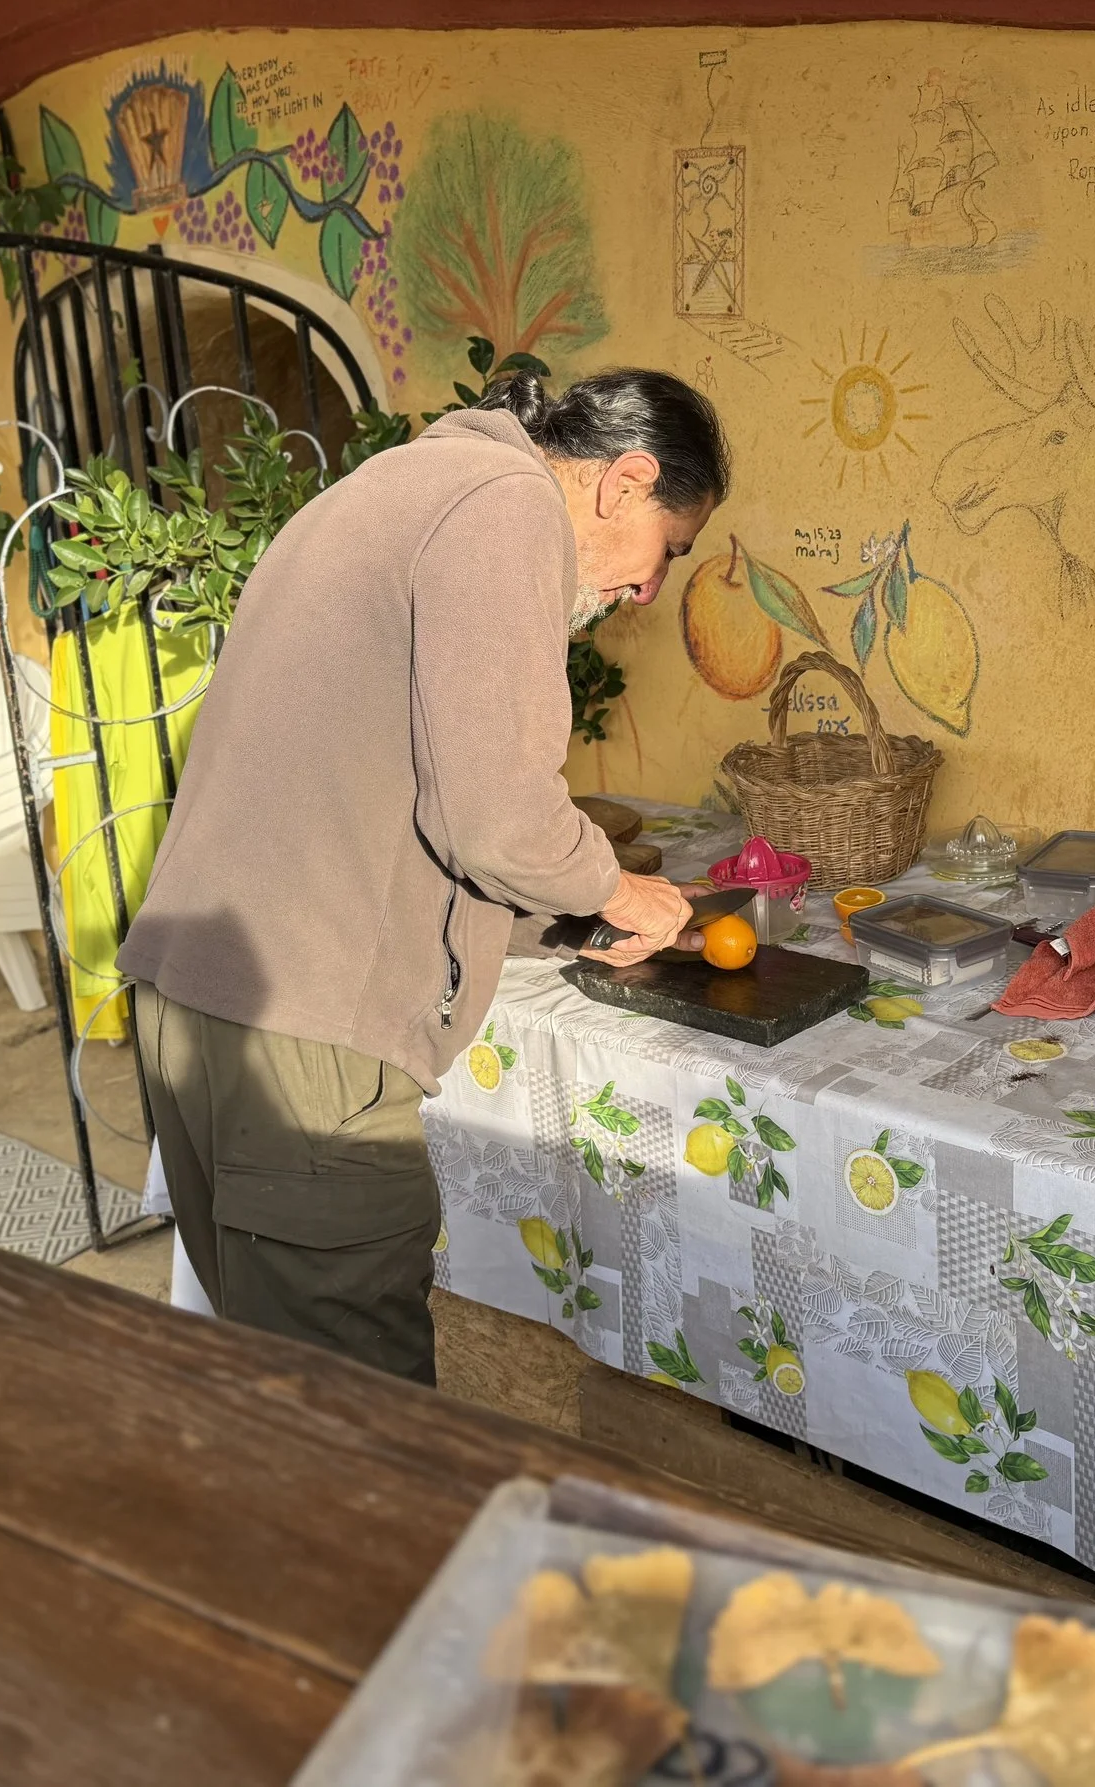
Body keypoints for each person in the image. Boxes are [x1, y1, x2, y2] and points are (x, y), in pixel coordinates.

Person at [118, 369, 727, 1380]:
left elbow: (410, 801)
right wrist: (623, 891)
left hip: (202, 1006)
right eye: (669, 549)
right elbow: (495, 818)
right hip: (303, 1042)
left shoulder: (406, 484)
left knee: (284, 1396)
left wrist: (567, 926)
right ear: (624, 480)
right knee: (365, 1430)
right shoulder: (505, 506)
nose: (647, 591)